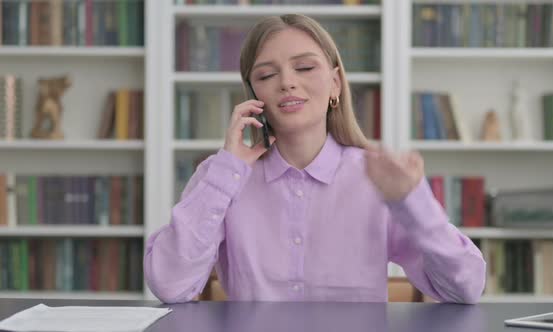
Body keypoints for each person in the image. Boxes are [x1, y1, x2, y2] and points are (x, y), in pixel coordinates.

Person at [144, 14, 486, 304]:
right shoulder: (222, 177)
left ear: (335, 83)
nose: (287, 83)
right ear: (253, 95)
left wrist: (413, 203)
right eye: (266, 75)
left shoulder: (377, 179)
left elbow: (465, 288)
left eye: (305, 67)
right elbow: (170, 286)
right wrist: (226, 172)